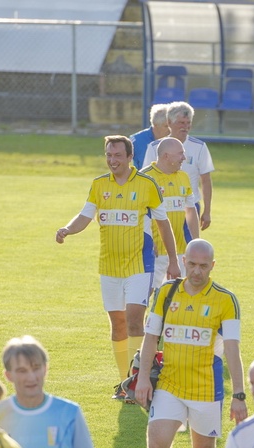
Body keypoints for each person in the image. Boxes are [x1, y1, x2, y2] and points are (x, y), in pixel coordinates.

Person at [134, 239, 246, 448]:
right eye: (192, 264)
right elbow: (150, 338)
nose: (196, 271)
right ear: (184, 261)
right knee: (157, 446)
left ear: (213, 266)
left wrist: (239, 394)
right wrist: (143, 378)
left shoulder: (225, 300)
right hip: (169, 384)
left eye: (203, 266)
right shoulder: (166, 292)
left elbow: (233, 349)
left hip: (206, 388)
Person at [56, 135, 179, 400]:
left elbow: (163, 223)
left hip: (139, 264)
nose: (112, 161)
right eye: (109, 155)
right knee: (118, 323)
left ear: (129, 157)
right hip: (108, 266)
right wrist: (67, 229)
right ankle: (125, 383)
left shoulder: (147, 185)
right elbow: (85, 215)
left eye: (117, 156)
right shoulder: (99, 185)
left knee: (135, 320)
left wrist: (173, 259)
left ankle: (138, 382)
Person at [142, 101, 214, 230]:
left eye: (188, 123)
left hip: (189, 206)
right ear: (169, 122)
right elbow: (145, 178)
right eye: (181, 123)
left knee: (190, 247)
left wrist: (207, 211)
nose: (185, 127)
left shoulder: (200, 147)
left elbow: (206, 180)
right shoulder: (154, 147)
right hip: (160, 206)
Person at [140, 137, 200, 287]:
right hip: (154, 251)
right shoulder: (145, 178)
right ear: (166, 156)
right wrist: (145, 242)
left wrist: (196, 243)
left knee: (176, 295)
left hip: (181, 250)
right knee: (147, 293)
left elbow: (191, 212)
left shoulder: (183, 177)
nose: (184, 158)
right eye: (180, 154)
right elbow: (137, 215)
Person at [130, 104, 170, 171]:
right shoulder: (135, 141)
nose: (170, 129)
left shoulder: (175, 140)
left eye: (171, 125)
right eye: (166, 126)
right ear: (155, 125)